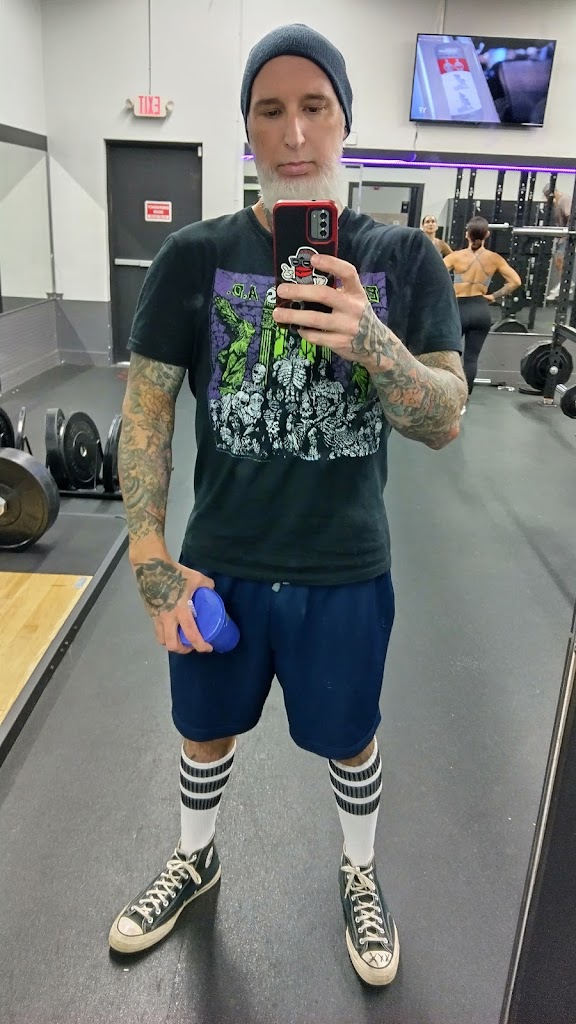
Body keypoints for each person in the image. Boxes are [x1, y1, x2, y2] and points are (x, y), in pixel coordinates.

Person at [110, 23, 467, 987]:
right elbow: (146, 409)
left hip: (343, 564)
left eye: (315, 107)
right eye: (271, 111)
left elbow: (443, 420)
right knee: (204, 725)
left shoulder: (404, 258)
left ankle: (360, 871)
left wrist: (371, 340)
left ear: (345, 119)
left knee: (349, 736)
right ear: (248, 129)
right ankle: (196, 856)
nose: (294, 132)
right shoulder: (193, 256)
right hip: (219, 561)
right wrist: (149, 557)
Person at [443, 216, 521, 400]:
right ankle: (466, 397)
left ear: (467, 234)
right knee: (471, 358)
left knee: (451, 355)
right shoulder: (494, 259)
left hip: (458, 309)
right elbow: (516, 281)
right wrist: (494, 296)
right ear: (487, 234)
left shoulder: (455, 257)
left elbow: (435, 276)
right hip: (480, 310)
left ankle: (450, 393)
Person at [542, 184, 573, 301]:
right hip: (562, 236)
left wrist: (567, 235)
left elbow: (571, 218)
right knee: (558, 259)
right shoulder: (557, 202)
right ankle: (565, 281)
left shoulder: (565, 199)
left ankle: (566, 282)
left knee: (560, 258)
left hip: (567, 236)